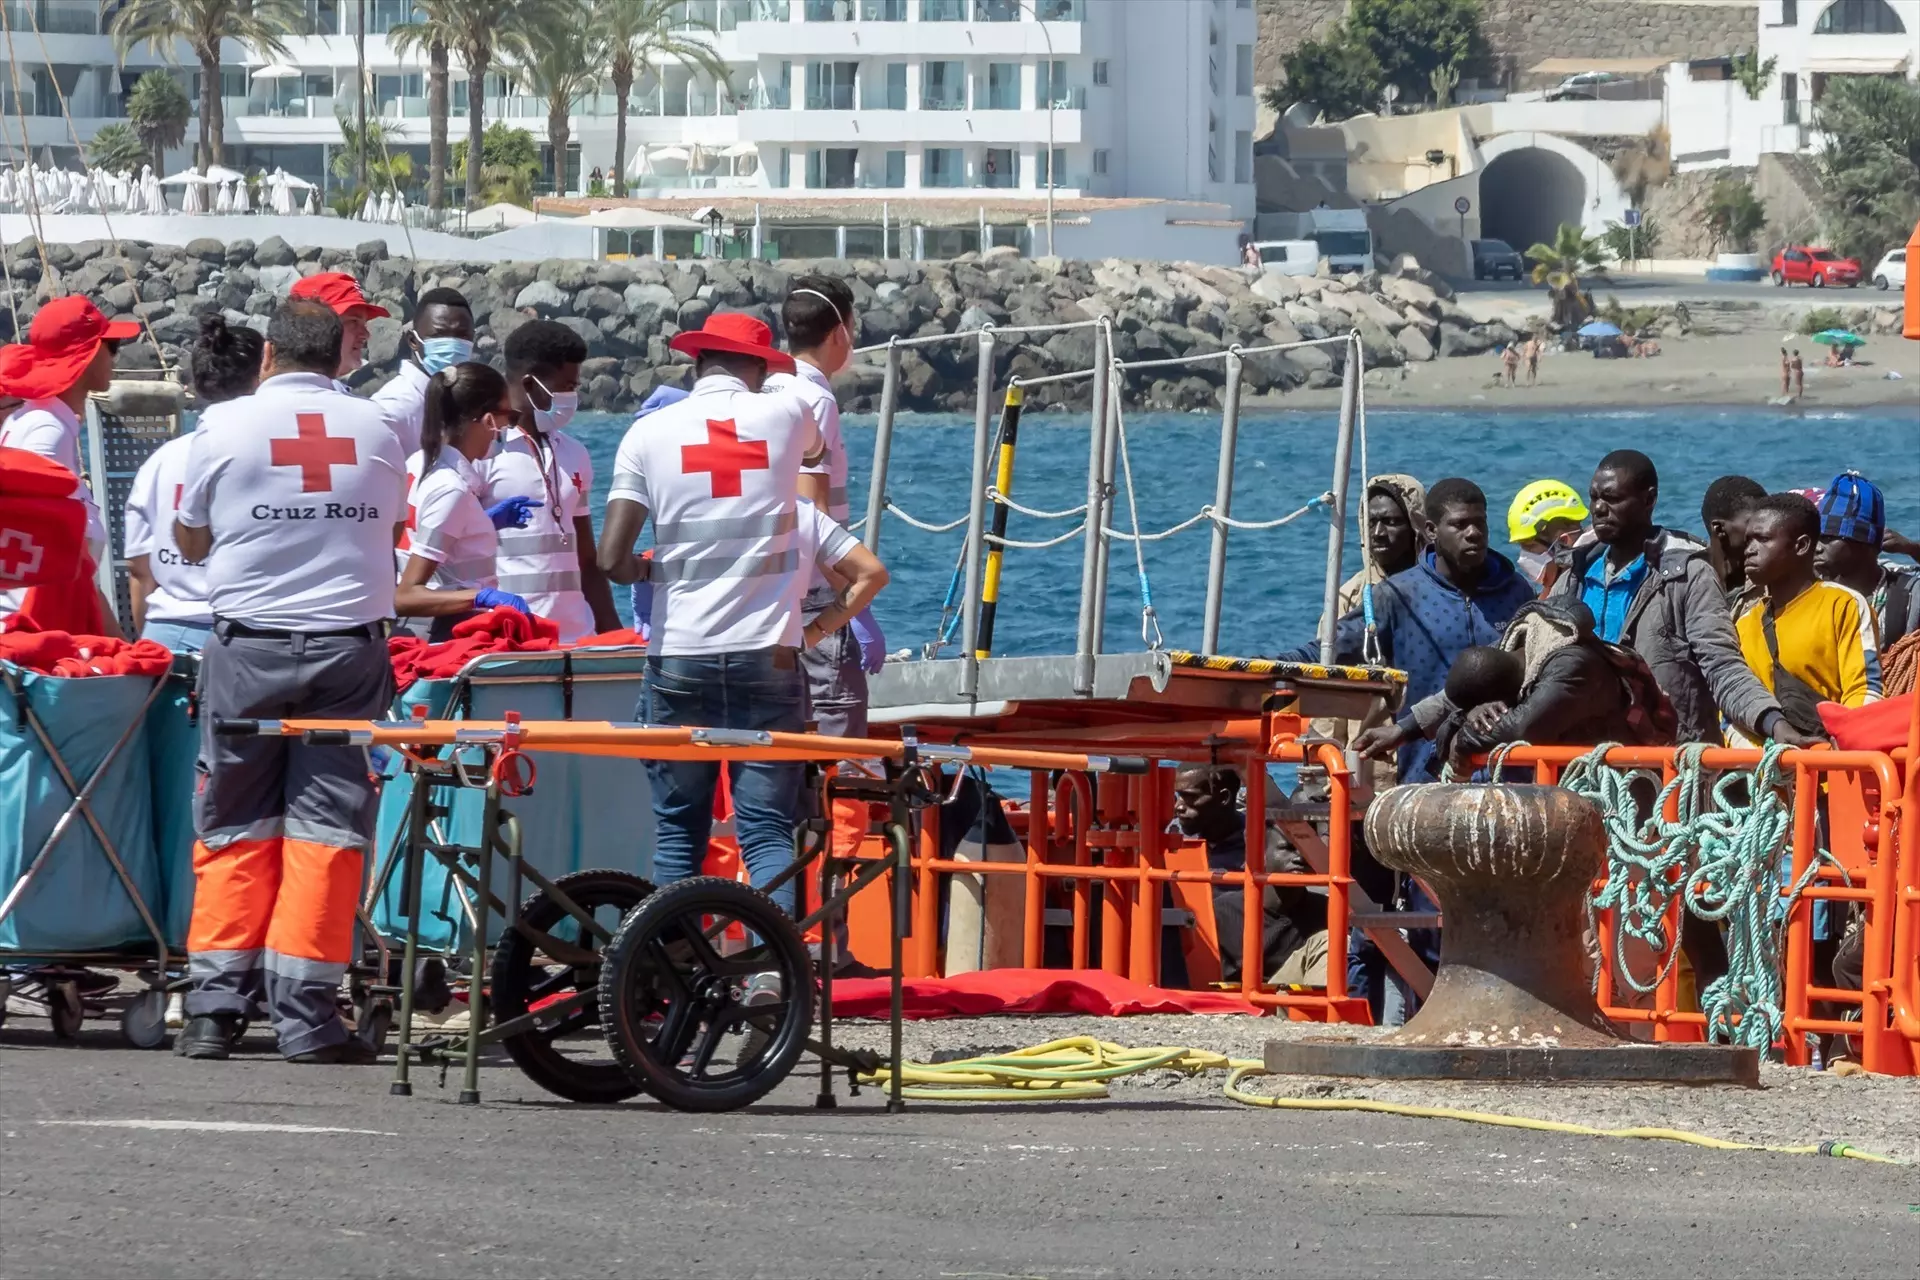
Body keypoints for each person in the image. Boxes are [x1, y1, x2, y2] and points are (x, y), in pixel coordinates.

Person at [171, 298, 409, 1064]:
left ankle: (213, 1011)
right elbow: (388, 524)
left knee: (234, 820)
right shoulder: (379, 429)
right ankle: (308, 1018)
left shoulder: (223, 427)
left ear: (268, 354)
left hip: (248, 650)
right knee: (328, 829)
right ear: (341, 356)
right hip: (350, 652)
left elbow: (191, 534)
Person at [597, 313, 888, 915]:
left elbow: (612, 560)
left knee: (679, 834)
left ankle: (668, 971)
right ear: (757, 367)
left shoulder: (647, 434)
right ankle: (767, 979)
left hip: (678, 658)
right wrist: (817, 626)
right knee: (765, 833)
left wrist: (656, 569)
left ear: (698, 363)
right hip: (769, 660)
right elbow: (812, 455)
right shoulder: (784, 413)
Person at [1541, 450, 1813, 748]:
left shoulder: (1686, 576)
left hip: (1665, 763)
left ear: (1649, 500)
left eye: (1612, 499)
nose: (1599, 508)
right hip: (1577, 761)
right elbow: (1538, 661)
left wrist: (1772, 722)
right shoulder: (1572, 577)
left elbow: (1722, 665)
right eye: (1594, 498)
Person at [1299, 478, 1537, 784]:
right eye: (1460, 525)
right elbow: (1331, 647)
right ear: (1430, 531)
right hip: (1426, 777)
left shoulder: (1517, 591)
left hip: (1509, 772)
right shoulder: (1398, 595)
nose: (1474, 534)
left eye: (1480, 523)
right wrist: (1266, 666)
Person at [0, 295, 137, 635]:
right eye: (112, 345)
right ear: (88, 355)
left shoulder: (40, 420)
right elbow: (48, 556)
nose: (115, 357)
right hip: (35, 638)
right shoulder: (48, 429)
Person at [124, 315, 262, 653]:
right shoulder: (268, 455)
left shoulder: (159, 461)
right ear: (264, 376)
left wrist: (149, 646)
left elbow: (140, 569)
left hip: (165, 634)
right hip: (247, 638)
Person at [482, 320, 621, 643]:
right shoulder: (483, 452)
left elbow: (586, 558)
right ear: (530, 385)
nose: (573, 397)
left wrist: (614, 633)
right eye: (567, 387)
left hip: (574, 636)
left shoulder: (575, 453)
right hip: (507, 638)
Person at [395, 363, 541, 641]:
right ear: (488, 421)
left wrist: (481, 525)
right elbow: (406, 594)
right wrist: (482, 597)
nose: (508, 428)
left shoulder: (418, 464)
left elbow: (425, 537)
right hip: (443, 632)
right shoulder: (451, 489)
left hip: (425, 627)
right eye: (508, 418)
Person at [1734, 492, 1881, 740]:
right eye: (1748, 541)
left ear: (1801, 546)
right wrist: (1762, 759)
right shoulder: (1744, 624)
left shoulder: (1842, 604)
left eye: (1763, 539)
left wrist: (1843, 748)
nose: (1749, 550)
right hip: (1768, 770)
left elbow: (1865, 690)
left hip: (1832, 763)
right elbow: (1733, 710)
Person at [1172, 765, 1325, 988]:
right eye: (1178, 797)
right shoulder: (1173, 839)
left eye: (1190, 798)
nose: (1178, 807)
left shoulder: (1257, 842)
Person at [1814, 471, 1920, 655]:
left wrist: (1912, 549)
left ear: (1865, 543)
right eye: (1816, 537)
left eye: (1829, 538)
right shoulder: (1806, 589)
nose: (1817, 547)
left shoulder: (1907, 596)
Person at [368, 286, 474, 458]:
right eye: (439, 335)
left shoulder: (469, 403)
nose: (453, 345)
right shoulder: (392, 409)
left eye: (463, 336)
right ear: (413, 341)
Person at [1700, 475, 1767, 612]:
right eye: (1754, 523)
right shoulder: (1688, 585)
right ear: (1719, 529)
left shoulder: (1771, 584)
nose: (1767, 530)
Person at [1506, 478, 1588, 590]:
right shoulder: (1556, 588)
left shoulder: (1587, 589)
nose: (1522, 558)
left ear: (1564, 542)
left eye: (1530, 547)